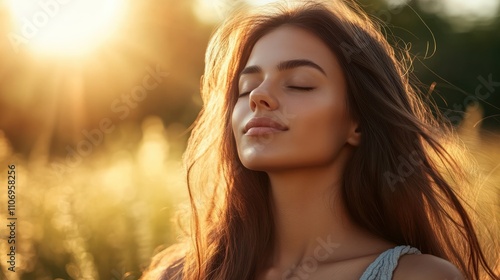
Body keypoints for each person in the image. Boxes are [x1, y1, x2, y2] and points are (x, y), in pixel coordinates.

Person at [142, 0, 499, 279]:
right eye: (245, 87)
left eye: (299, 84)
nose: (258, 96)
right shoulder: (184, 273)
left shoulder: (417, 277)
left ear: (357, 123)